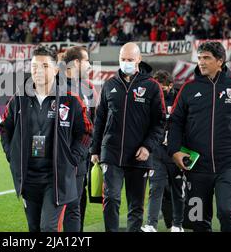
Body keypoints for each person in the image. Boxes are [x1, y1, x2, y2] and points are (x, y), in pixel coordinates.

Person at [168, 41, 231, 232]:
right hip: (197, 167)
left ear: (220, 61)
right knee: (198, 220)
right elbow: (175, 122)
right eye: (199, 58)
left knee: (226, 211)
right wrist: (174, 150)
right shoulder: (188, 89)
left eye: (206, 58)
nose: (201, 62)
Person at [0, 45, 93, 232]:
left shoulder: (70, 98)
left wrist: (71, 158)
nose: (38, 71)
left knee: (48, 228)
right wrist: (12, 155)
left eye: (44, 66)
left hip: (55, 178)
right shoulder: (19, 97)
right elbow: (5, 128)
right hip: (28, 177)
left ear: (56, 69)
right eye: (34, 67)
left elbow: (86, 131)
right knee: (34, 228)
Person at [91, 42, 166, 232]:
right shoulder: (109, 85)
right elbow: (100, 119)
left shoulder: (152, 86)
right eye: (123, 59)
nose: (126, 63)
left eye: (130, 60)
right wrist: (95, 149)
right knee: (111, 198)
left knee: (136, 205)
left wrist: (148, 147)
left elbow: (159, 122)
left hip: (139, 156)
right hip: (112, 153)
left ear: (139, 60)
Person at [141, 70, 185, 232]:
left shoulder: (180, 99)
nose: (159, 90)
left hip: (175, 153)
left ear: (171, 85)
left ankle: (177, 224)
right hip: (157, 151)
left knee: (177, 189)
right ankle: (151, 224)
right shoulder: (151, 99)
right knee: (155, 188)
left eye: (162, 87)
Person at [61, 46, 97, 232]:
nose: (90, 65)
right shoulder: (55, 86)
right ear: (76, 63)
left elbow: (91, 122)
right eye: (87, 61)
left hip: (80, 160)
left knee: (77, 207)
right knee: (61, 209)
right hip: (61, 160)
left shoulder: (85, 88)